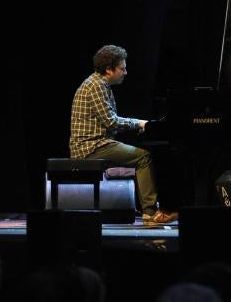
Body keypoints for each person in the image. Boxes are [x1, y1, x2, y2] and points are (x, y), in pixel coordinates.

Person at [69, 45, 177, 224]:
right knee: (143, 158)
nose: (126, 72)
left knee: (139, 155)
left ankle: (146, 209)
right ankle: (150, 213)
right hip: (90, 147)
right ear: (109, 69)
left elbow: (111, 124)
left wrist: (137, 126)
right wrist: (139, 123)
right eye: (122, 68)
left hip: (98, 144)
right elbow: (112, 121)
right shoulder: (96, 86)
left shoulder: (100, 85)